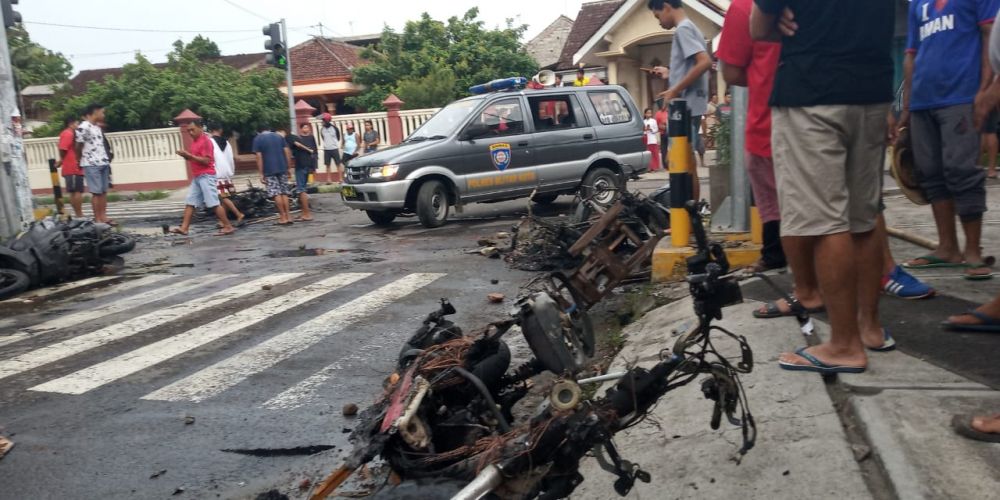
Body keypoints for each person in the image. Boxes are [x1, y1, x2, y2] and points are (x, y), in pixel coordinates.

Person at [750, 0, 895, 373]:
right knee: (865, 218)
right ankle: (870, 328)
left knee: (825, 222)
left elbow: (758, 27)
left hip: (811, 89)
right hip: (872, 89)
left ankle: (844, 345)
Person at [899, 0, 999, 280]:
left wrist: (985, 89)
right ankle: (947, 248)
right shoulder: (917, 3)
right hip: (923, 100)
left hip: (962, 95)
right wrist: (907, 106)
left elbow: (991, 34)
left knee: (962, 170)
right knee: (930, 173)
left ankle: (973, 252)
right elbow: (910, 54)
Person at [717, 0, 786, 272]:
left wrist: (761, 74)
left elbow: (731, 71)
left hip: (767, 122)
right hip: (820, 116)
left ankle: (804, 286)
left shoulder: (743, 8)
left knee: (776, 204)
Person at [646, 0, 711, 202]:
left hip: (686, 109)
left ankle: (684, 219)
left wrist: (674, 89)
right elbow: (694, 65)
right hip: (690, 106)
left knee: (677, 161)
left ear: (666, 6)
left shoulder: (683, 30)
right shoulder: (692, 28)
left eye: (658, 16)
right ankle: (689, 218)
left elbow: (705, 62)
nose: (659, 22)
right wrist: (671, 74)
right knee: (685, 162)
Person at [169, 120, 234, 236]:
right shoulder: (195, 142)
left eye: (192, 130)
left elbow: (206, 160)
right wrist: (186, 156)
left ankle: (228, 226)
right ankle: (184, 228)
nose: (190, 132)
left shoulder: (206, 141)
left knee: (213, 203)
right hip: (198, 176)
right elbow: (194, 159)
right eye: (188, 130)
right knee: (190, 202)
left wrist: (189, 156)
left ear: (200, 128)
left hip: (206, 175)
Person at [74, 104, 111, 225]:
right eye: (102, 112)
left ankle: (103, 216)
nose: (103, 115)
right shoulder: (83, 127)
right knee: (96, 192)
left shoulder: (97, 127)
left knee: (104, 191)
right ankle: (98, 219)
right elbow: (78, 145)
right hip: (91, 163)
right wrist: (78, 159)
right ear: (94, 112)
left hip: (103, 161)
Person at [253, 125, 293, 225]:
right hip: (282, 168)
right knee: (284, 192)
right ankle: (289, 216)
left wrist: (261, 173)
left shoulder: (258, 139)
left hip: (269, 170)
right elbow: (287, 151)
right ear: (269, 129)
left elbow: (259, 157)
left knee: (276, 193)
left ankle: (282, 217)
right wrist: (288, 167)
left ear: (259, 131)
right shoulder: (279, 137)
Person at [208, 123, 244, 226]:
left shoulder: (210, 142)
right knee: (224, 199)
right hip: (227, 173)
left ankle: (238, 214)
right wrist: (231, 171)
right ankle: (222, 221)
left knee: (223, 198)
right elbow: (230, 159)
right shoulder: (227, 143)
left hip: (217, 174)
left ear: (211, 130)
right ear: (220, 130)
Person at [288, 122, 316, 222]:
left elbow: (298, 145)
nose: (306, 129)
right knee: (303, 188)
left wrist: (308, 150)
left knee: (301, 189)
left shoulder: (290, 137)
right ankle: (304, 213)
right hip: (306, 164)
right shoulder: (298, 137)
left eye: (307, 127)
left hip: (301, 165)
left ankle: (307, 214)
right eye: (304, 127)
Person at [56, 117, 83, 217]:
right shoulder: (68, 134)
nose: (78, 125)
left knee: (74, 191)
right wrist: (61, 161)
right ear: (71, 123)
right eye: (77, 123)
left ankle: (78, 214)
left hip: (73, 166)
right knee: (77, 191)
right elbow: (63, 149)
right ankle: (79, 215)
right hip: (73, 167)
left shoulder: (73, 134)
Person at [319, 113, 343, 183]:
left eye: (323, 121)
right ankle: (329, 179)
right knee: (327, 165)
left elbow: (338, 137)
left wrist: (333, 144)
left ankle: (340, 179)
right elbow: (323, 138)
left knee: (338, 164)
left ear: (327, 121)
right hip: (326, 149)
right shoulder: (322, 129)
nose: (322, 122)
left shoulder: (334, 128)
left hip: (334, 149)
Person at [654, 103, 669, 169]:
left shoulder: (668, 112)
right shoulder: (658, 114)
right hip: (663, 133)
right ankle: (665, 165)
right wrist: (660, 126)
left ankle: (671, 163)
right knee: (664, 150)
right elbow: (656, 124)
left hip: (670, 132)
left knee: (671, 149)